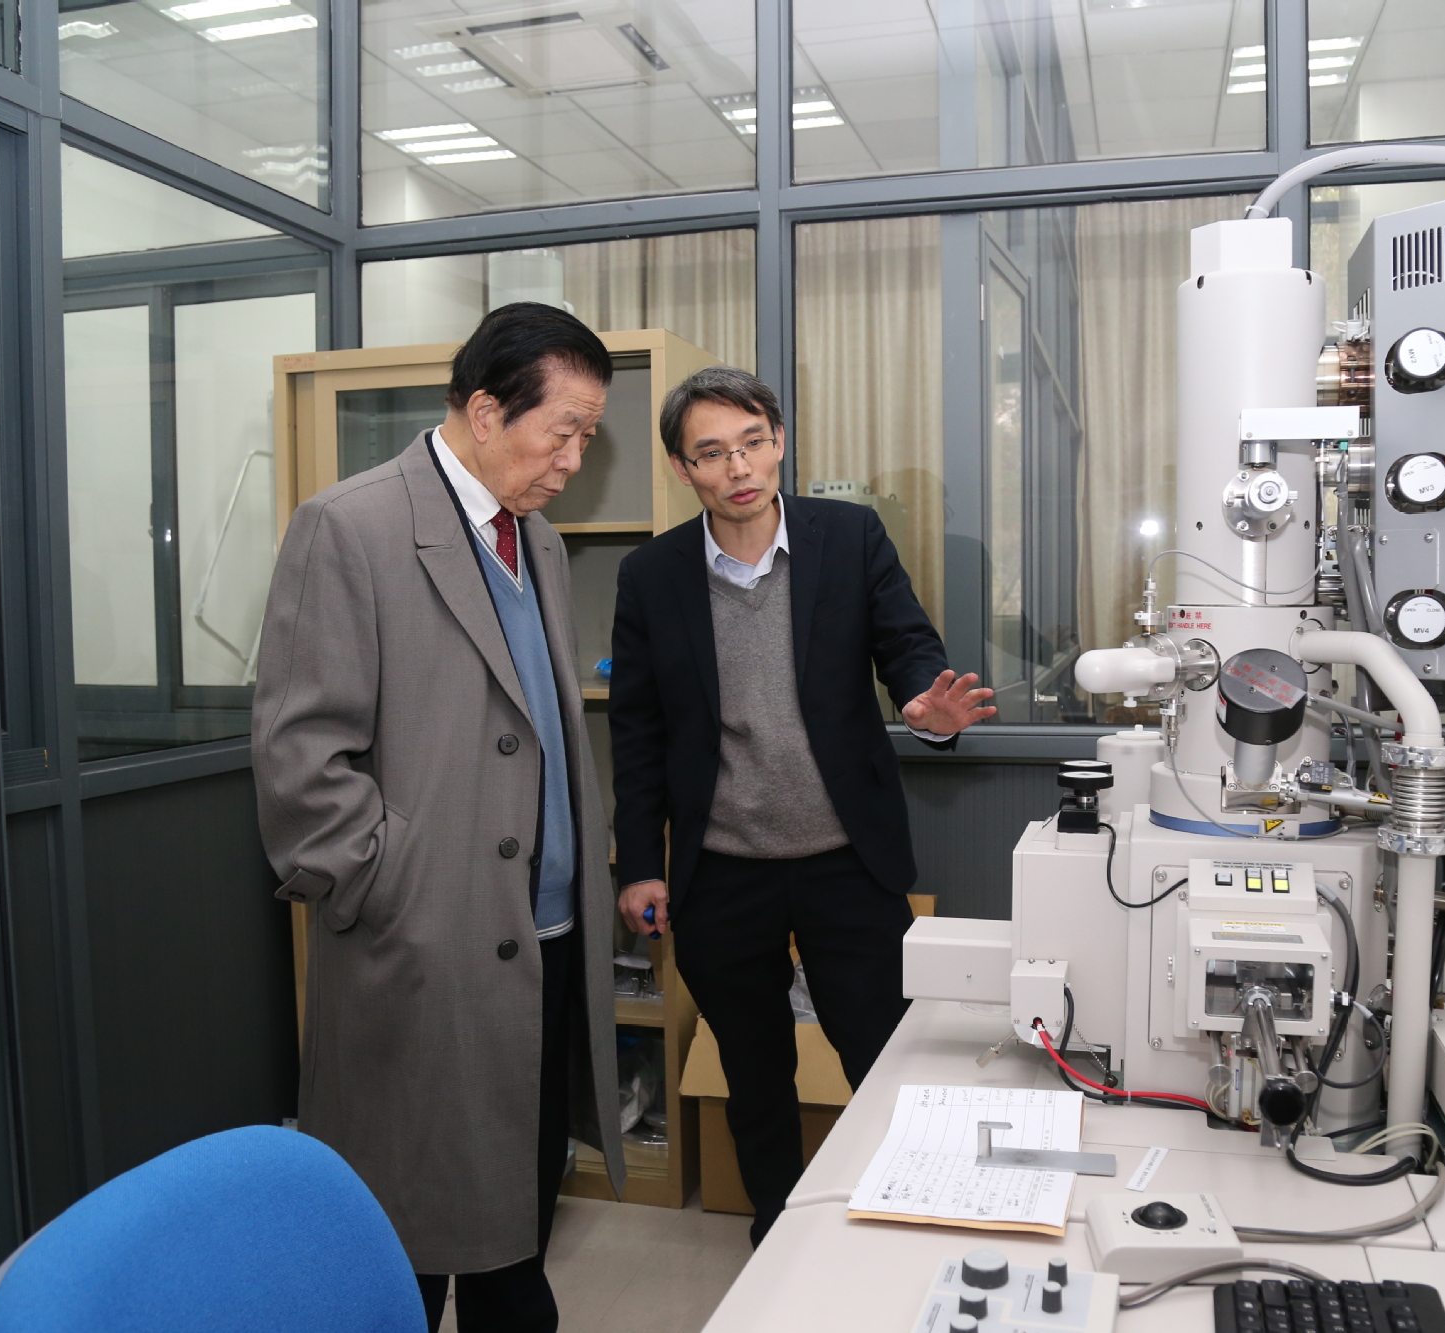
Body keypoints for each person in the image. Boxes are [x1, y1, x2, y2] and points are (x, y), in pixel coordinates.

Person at [252, 303, 625, 1333]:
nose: (574, 460)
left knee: (517, 1224)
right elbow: (300, 759)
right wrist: (393, 889)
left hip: (544, 943)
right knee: (400, 1250)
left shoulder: (534, 540)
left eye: (588, 437)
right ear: (485, 410)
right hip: (423, 949)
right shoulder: (352, 525)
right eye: (564, 431)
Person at [608, 366, 995, 1244]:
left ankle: (908, 1220)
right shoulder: (652, 575)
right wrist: (638, 864)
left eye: (753, 442)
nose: (739, 467)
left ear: (778, 441)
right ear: (682, 467)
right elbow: (636, 732)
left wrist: (923, 707)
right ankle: (778, 1234)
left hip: (845, 863)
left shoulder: (848, 536)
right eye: (713, 452)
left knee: (884, 1057)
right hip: (721, 872)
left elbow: (907, 645)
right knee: (754, 1074)